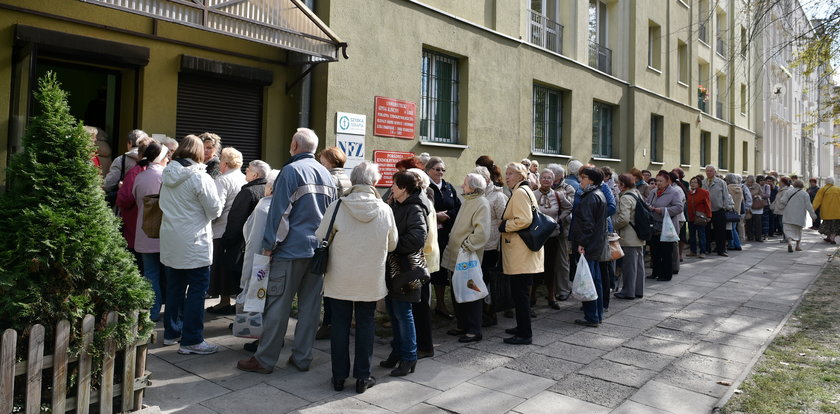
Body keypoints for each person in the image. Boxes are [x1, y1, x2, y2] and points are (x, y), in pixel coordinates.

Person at [237, 128, 336, 374]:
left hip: (289, 251)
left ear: (294, 145)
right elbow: (331, 215)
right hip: (317, 251)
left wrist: (269, 246)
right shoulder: (327, 175)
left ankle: (265, 360)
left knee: (277, 307)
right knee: (310, 309)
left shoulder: (290, 171)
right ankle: (302, 358)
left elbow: (280, 214)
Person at [316, 162, 397, 393]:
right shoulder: (384, 209)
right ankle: (363, 377)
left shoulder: (337, 206)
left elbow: (320, 235)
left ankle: (339, 377)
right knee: (366, 324)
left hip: (340, 277)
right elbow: (392, 244)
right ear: (374, 183)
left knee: (339, 325)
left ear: (353, 182)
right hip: (370, 278)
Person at [159, 135, 223, 355]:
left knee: (175, 288)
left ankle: (171, 333)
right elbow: (215, 211)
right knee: (197, 290)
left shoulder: (166, 173)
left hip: (170, 240)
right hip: (194, 241)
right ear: (198, 152)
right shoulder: (200, 178)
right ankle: (192, 339)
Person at [380, 170, 428, 377]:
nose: (391, 187)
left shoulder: (415, 208)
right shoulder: (396, 204)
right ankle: (398, 351)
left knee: (403, 313)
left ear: (405, 189)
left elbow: (418, 238)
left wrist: (392, 246)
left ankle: (409, 356)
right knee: (394, 311)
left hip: (406, 270)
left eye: (395, 185)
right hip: (392, 269)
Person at [441, 173, 490, 343]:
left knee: (471, 291)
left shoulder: (481, 203)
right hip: (456, 255)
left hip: (467, 256)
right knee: (457, 290)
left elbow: (482, 233)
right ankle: (462, 324)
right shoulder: (468, 200)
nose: (462, 186)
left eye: (465, 183)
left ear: (473, 187)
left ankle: (474, 329)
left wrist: (466, 246)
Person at [499, 162, 543, 344]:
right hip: (524, 251)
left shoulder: (519, 193)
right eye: (506, 173)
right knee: (520, 293)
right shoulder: (524, 190)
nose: (506, 176)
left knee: (521, 294)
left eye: (510, 173)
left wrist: (505, 226)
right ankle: (521, 327)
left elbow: (524, 219)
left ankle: (525, 334)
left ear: (520, 176)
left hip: (521, 252)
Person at [218, 159, 270, 312]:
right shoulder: (266, 190)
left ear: (255, 174)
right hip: (261, 246)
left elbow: (236, 220)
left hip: (242, 247)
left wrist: (226, 242)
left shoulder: (248, 192)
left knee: (243, 282)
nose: (245, 171)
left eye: (247, 169)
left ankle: (242, 316)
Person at [239, 168, 280, 353]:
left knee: (261, 301)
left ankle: (262, 340)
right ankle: (274, 338)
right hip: (279, 261)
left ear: (270, 188)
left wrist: (247, 275)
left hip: (261, 261)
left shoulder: (264, 207)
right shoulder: (285, 204)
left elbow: (253, 242)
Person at [316, 146, 353, 340]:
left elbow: (327, 206)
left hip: (333, 232)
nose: (320, 163)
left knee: (329, 281)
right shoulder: (347, 177)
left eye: (322, 160)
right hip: (345, 232)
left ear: (329, 161)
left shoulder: (329, 177)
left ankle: (329, 322)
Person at [131, 141, 169, 321]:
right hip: (164, 233)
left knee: (150, 274)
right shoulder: (165, 176)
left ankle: (151, 312)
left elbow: (133, 197)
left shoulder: (140, 176)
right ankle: (166, 312)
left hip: (144, 232)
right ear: (161, 158)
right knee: (169, 275)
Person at [207, 147, 247, 314]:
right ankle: (232, 301)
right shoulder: (244, 178)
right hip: (239, 230)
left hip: (221, 229)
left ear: (224, 163)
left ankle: (223, 301)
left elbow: (217, 206)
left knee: (221, 268)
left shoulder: (222, 180)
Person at [406, 167, 438, 359]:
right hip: (425, 259)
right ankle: (420, 342)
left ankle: (425, 346)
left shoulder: (420, 203)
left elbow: (421, 236)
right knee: (419, 304)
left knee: (420, 305)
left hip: (422, 260)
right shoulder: (424, 199)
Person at [569, 167, 607, 327]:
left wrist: (582, 243)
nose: (580, 180)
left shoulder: (591, 197)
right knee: (595, 280)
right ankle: (597, 315)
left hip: (589, 245)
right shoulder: (598, 194)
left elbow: (587, 224)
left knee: (588, 280)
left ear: (591, 180)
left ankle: (592, 316)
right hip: (596, 244)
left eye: (583, 177)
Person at [424, 157, 460, 319]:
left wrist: (447, 215)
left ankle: (440, 304)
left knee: (441, 271)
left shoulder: (448, 187)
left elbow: (458, 207)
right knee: (428, 270)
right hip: (430, 235)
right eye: (437, 169)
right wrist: (435, 216)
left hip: (446, 234)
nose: (440, 172)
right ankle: (425, 304)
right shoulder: (425, 186)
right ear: (429, 170)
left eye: (443, 170)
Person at [531, 169, 571, 309]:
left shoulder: (558, 195)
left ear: (553, 180)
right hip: (537, 236)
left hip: (552, 236)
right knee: (535, 267)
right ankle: (533, 295)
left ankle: (551, 295)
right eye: (544, 177)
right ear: (539, 179)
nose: (546, 180)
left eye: (549, 178)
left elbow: (568, 208)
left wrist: (558, 220)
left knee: (550, 266)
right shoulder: (533, 194)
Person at [474, 166, 508, 325]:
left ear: (487, 180)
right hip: (479, 244)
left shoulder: (497, 196)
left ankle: (490, 312)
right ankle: (482, 311)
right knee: (480, 277)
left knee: (489, 278)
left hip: (492, 245)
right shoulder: (476, 194)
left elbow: (503, 220)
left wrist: (500, 245)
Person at [115, 136, 154, 266]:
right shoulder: (160, 171)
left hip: (135, 227)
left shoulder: (135, 172)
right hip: (155, 230)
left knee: (140, 268)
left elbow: (124, 199)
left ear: (139, 153)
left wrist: (121, 188)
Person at [646, 171, 685, 282]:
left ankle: (666, 274)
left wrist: (662, 210)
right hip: (654, 225)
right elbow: (647, 202)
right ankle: (656, 272)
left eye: (660, 181)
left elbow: (679, 207)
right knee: (655, 250)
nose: (658, 183)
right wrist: (649, 206)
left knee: (666, 252)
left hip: (667, 226)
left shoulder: (674, 192)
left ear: (668, 181)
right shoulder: (653, 192)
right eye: (657, 180)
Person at [614, 173, 645, 299]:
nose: (616, 185)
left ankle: (628, 291)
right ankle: (638, 290)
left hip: (629, 236)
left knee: (629, 266)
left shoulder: (626, 197)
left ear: (622, 184)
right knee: (638, 265)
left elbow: (624, 218)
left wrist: (613, 225)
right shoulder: (637, 193)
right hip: (639, 234)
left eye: (618, 183)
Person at [702, 165, 734, 256]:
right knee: (706, 231)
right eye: (707, 171)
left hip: (718, 210)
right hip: (706, 211)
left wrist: (725, 206)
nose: (709, 172)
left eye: (711, 171)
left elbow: (726, 195)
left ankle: (721, 250)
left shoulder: (721, 182)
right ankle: (706, 249)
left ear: (715, 172)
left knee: (720, 231)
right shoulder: (703, 182)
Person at [779, 180, 817, 253]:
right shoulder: (805, 194)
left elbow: (783, 201)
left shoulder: (788, 191)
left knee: (788, 229)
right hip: (799, 215)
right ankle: (797, 246)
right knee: (798, 231)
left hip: (788, 214)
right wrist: (813, 216)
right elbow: (809, 206)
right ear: (802, 186)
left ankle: (789, 242)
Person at [686, 176, 712, 258]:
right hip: (691, 217)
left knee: (701, 235)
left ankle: (702, 251)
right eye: (692, 182)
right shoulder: (689, 193)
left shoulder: (704, 192)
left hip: (700, 217)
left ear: (699, 184)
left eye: (695, 182)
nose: (693, 184)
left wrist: (709, 215)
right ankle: (693, 251)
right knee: (692, 235)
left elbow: (708, 204)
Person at [813, 177, 840, 244]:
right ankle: (831, 238)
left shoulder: (822, 189)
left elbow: (817, 201)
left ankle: (830, 238)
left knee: (828, 225)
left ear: (826, 182)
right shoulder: (838, 189)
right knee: (835, 225)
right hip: (837, 211)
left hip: (826, 211)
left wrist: (813, 209)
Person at [725, 174, 745, 251]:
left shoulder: (728, 188)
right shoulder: (740, 189)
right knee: (734, 228)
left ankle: (734, 244)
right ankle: (735, 244)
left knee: (731, 229)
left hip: (730, 211)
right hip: (737, 211)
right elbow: (742, 200)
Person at [770, 177, 791, 242]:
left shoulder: (785, 190)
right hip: (780, 210)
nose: (779, 183)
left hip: (782, 210)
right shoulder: (781, 189)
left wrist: (779, 207)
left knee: (783, 225)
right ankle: (786, 238)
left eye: (780, 182)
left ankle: (787, 238)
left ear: (783, 183)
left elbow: (784, 201)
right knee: (782, 224)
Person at [745, 175, 765, 242]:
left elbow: (762, 194)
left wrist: (758, 195)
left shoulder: (757, 186)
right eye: (749, 182)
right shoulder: (744, 186)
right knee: (748, 222)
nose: (750, 183)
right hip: (748, 206)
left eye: (751, 182)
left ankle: (758, 237)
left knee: (758, 223)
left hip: (757, 206)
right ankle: (750, 237)